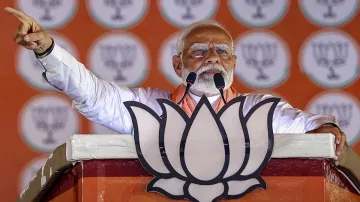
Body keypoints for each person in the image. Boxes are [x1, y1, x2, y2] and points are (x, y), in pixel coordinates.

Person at [5, 7, 347, 165]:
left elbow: (312, 126)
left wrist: (328, 127)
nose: (212, 57)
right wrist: (48, 51)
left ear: (233, 64)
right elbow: (93, 94)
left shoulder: (257, 110)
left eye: (222, 51)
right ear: (177, 64)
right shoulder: (150, 110)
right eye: (199, 51)